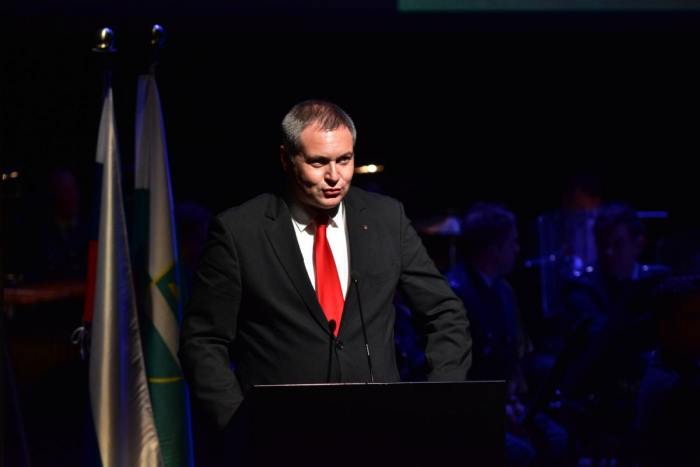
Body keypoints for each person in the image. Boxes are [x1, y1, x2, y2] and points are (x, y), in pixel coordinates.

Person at [179, 100, 472, 435]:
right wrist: (238, 425)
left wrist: (440, 399)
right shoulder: (240, 231)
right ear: (286, 159)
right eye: (318, 162)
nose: (334, 176)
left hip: (378, 433)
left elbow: (445, 312)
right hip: (280, 437)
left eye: (344, 160)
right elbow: (202, 340)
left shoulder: (387, 219)